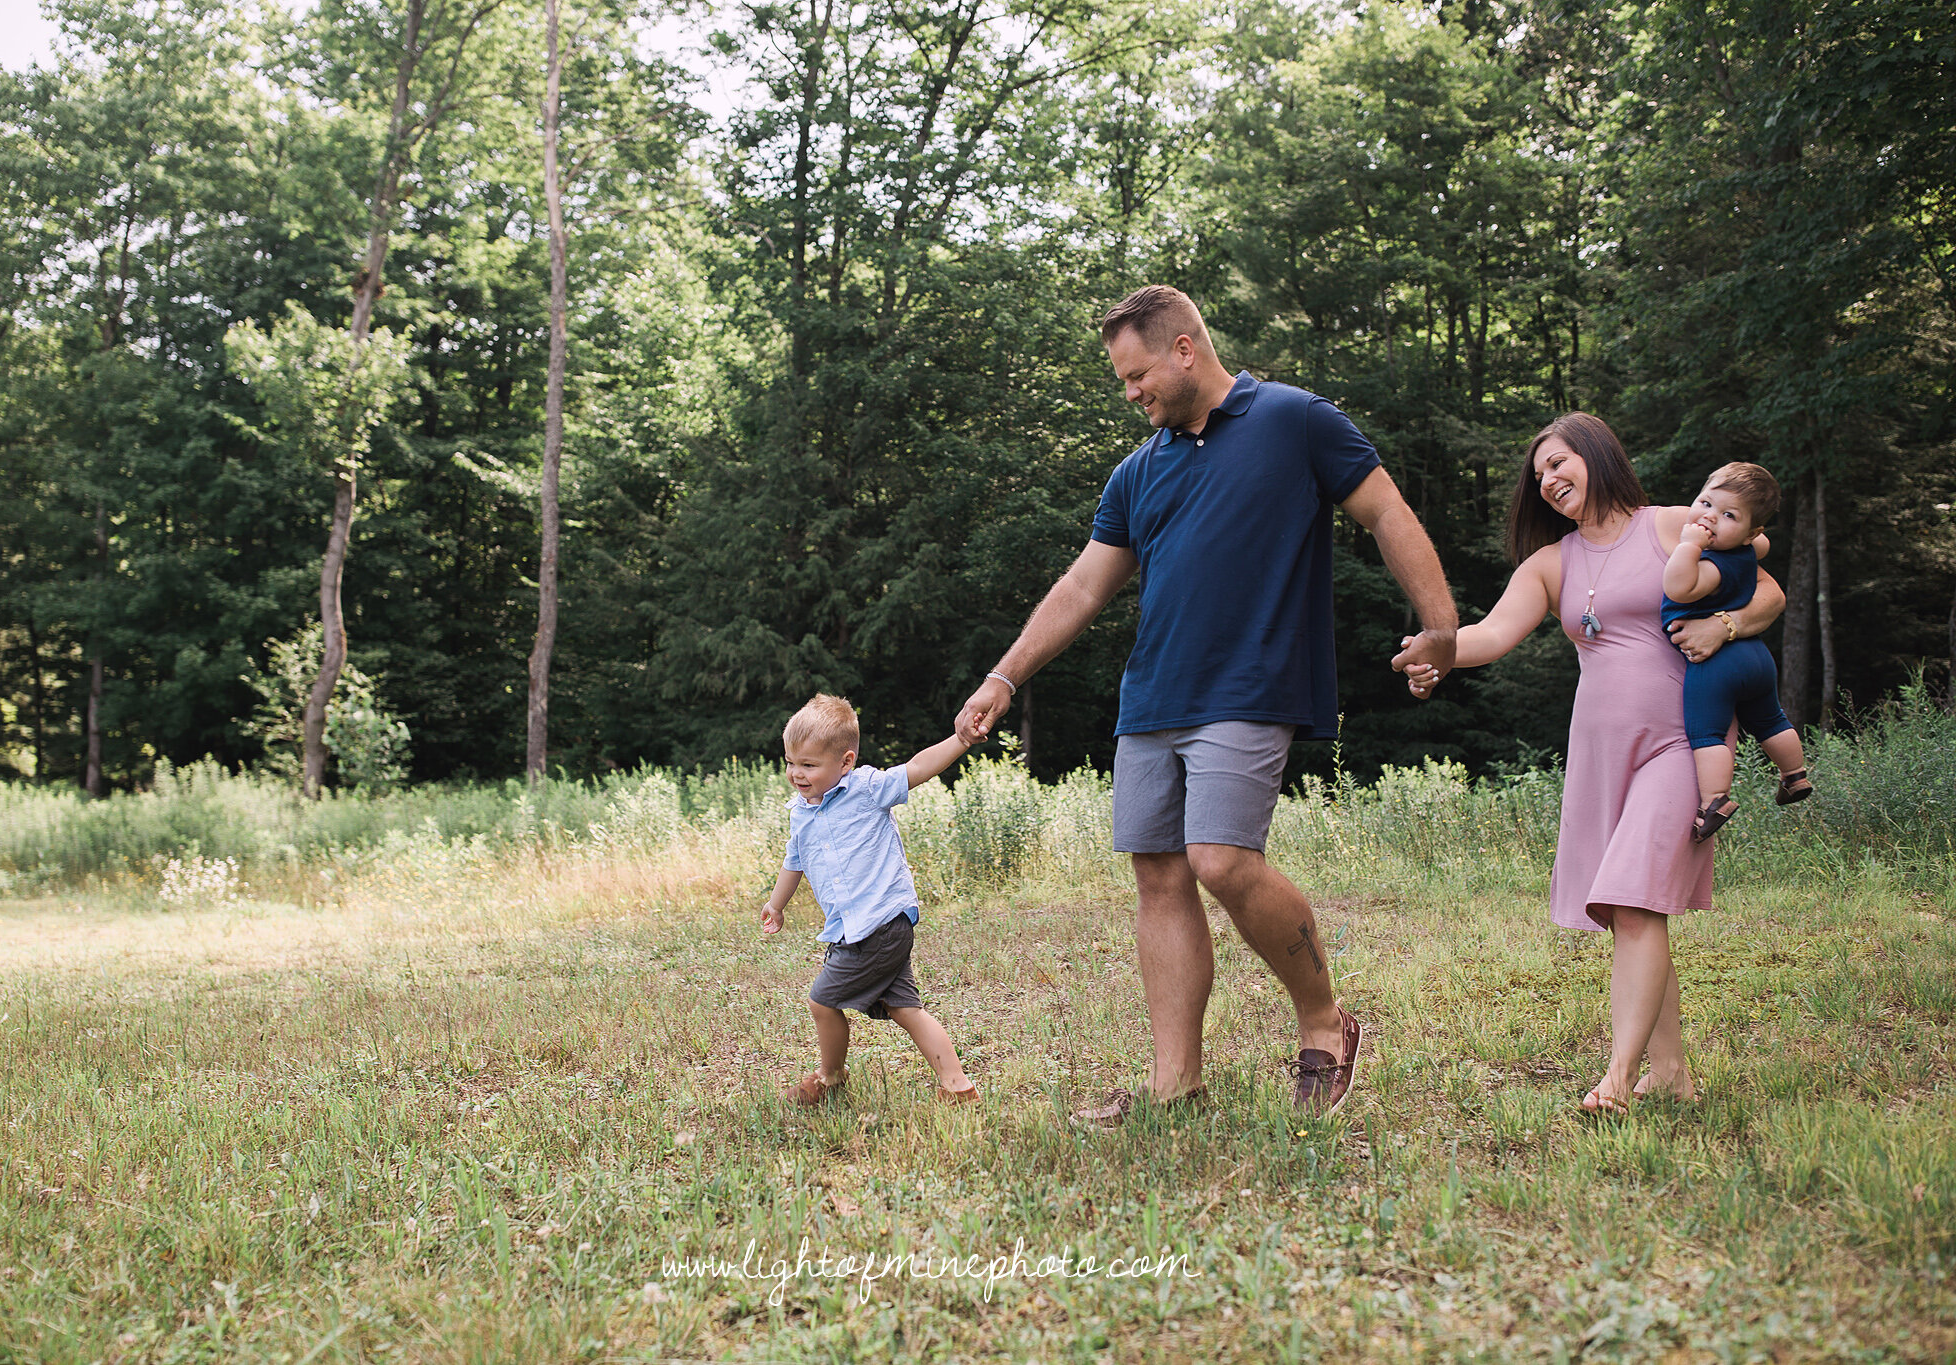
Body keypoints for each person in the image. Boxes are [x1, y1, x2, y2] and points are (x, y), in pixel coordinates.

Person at [954, 285, 1459, 1122]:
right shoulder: (1137, 472)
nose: (1130, 394)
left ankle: (1327, 1022)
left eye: (1137, 374)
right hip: (1153, 695)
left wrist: (1441, 624)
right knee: (1159, 876)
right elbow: (1084, 585)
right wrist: (1004, 676)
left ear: (1185, 349)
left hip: (1253, 683)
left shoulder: (1296, 421)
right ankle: (1175, 1080)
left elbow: (1387, 512)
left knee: (1220, 860)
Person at [1401, 414, 1785, 1114]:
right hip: (1604, 752)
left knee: (1635, 899)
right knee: (1633, 910)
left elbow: (1767, 590)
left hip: (1682, 739)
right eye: (1539, 473)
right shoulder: (1552, 563)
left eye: (1559, 462)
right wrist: (1438, 650)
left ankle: (1617, 1076)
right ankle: (1668, 1070)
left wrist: (1722, 625)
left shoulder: (1672, 525)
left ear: (1598, 455)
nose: (1548, 480)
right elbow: (1490, 633)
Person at [762, 693, 981, 1106]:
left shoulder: (866, 788)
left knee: (823, 1001)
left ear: (845, 761)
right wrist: (777, 904)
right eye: (790, 762)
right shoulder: (801, 812)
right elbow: (795, 861)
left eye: (809, 765)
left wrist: (961, 740)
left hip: (878, 925)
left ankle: (830, 1078)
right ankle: (958, 1086)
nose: (796, 773)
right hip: (865, 928)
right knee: (905, 1008)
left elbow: (917, 768)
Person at [1660, 461, 1813, 840]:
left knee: (1706, 733)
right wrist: (1732, 526)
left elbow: (1679, 588)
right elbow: (1762, 542)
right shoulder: (1748, 550)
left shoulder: (1712, 564)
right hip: (1755, 655)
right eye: (1705, 503)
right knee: (1770, 719)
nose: (1710, 518)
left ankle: (1714, 801)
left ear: (1748, 532)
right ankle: (1794, 775)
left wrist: (1688, 546)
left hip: (1716, 662)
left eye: (1727, 515)